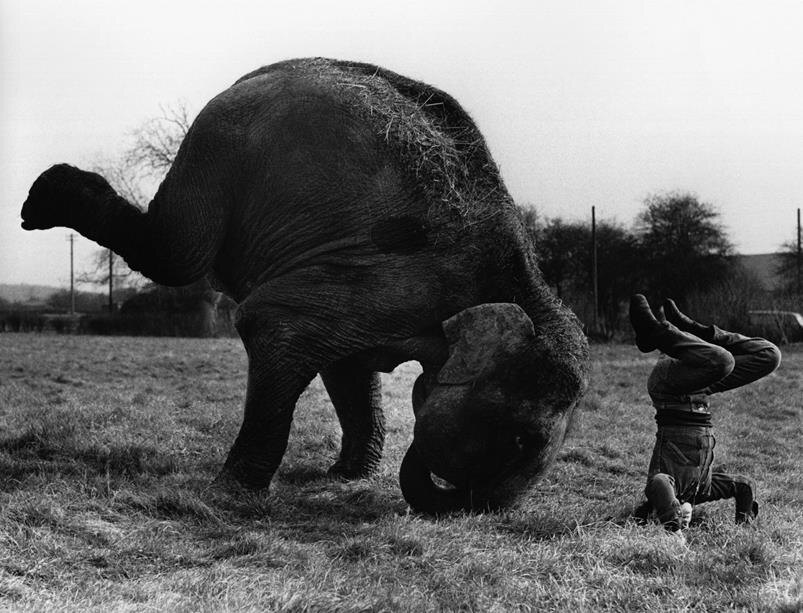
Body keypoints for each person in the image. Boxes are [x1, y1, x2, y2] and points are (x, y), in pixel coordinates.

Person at [629, 294, 781, 539]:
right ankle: (693, 330)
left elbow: (657, 485)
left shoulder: (667, 485)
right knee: (770, 356)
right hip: (698, 391)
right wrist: (743, 530)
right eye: (686, 521)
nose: (687, 518)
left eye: (672, 513)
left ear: (656, 512)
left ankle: (656, 332)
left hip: (669, 391)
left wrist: (674, 525)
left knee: (722, 361)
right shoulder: (703, 490)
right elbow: (744, 485)